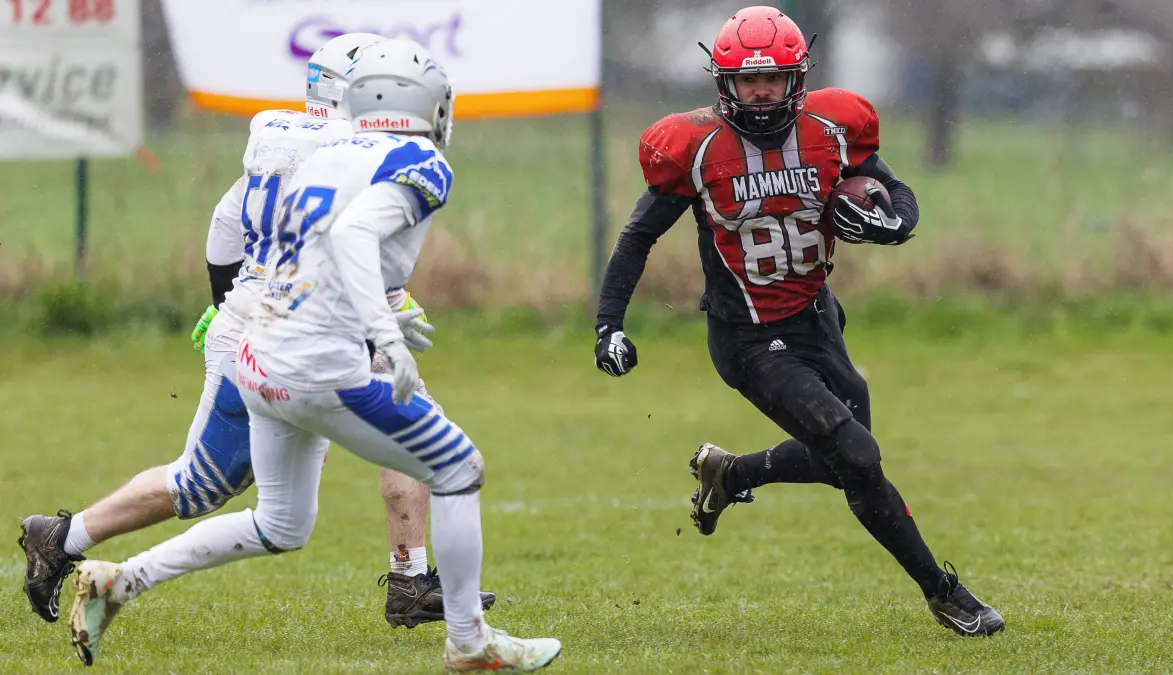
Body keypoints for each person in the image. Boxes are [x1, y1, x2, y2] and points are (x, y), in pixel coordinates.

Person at [66, 39, 562, 672]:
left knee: (281, 525)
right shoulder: (419, 159)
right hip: (320, 366)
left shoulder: (318, 153)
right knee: (459, 468)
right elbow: (355, 235)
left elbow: (281, 248)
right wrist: (382, 330)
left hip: (257, 355)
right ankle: (469, 643)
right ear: (428, 105)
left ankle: (120, 582)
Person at [592, 6, 1004, 637]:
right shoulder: (697, 147)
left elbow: (900, 197)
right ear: (723, 84)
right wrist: (608, 323)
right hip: (749, 338)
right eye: (748, 81)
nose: (761, 92)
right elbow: (636, 237)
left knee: (847, 458)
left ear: (797, 79)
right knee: (858, 457)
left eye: (774, 79)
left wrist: (893, 223)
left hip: (818, 318)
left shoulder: (832, 130)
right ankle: (946, 593)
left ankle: (733, 474)